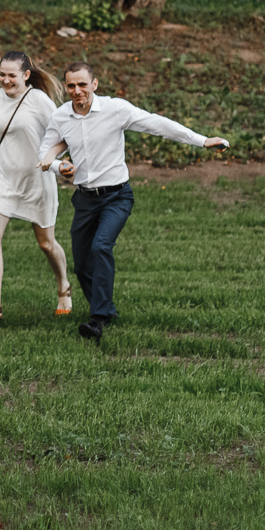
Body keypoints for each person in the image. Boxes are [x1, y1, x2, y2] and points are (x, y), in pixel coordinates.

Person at [38, 61, 229, 340]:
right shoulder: (61, 116)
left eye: (82, 84)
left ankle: (98, 319)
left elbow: (157, 124)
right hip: (85, 199)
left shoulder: (116, 109)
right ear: (66, 87)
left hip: (116, 196)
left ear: (94, 84)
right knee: (81, 265)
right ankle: (107, 309)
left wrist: (201, 140)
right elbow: (46, 152)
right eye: (71, 85)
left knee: (101, 246)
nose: (77, 90)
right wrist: (59, 167)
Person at [0, 51, 72, 320]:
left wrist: (56, 163)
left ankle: (64, 286)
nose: (6, 81)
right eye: (2, 74)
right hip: (3, 180)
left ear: (26, 75)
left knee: (46, 244)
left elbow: (63, 136)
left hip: (36, 182)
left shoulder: (38, 101)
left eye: (12, 76)